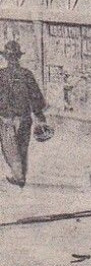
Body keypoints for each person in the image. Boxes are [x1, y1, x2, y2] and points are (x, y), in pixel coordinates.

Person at [0, 40, 47, 188]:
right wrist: (39, 115)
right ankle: (20, 176)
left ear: (6, 58)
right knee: (22, 148)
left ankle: (19, 176)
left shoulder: (1, 75)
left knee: (10, 148)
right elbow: (36, 97)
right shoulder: (26, 74)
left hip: (7, 118)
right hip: (24, 118)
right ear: (18, 57)